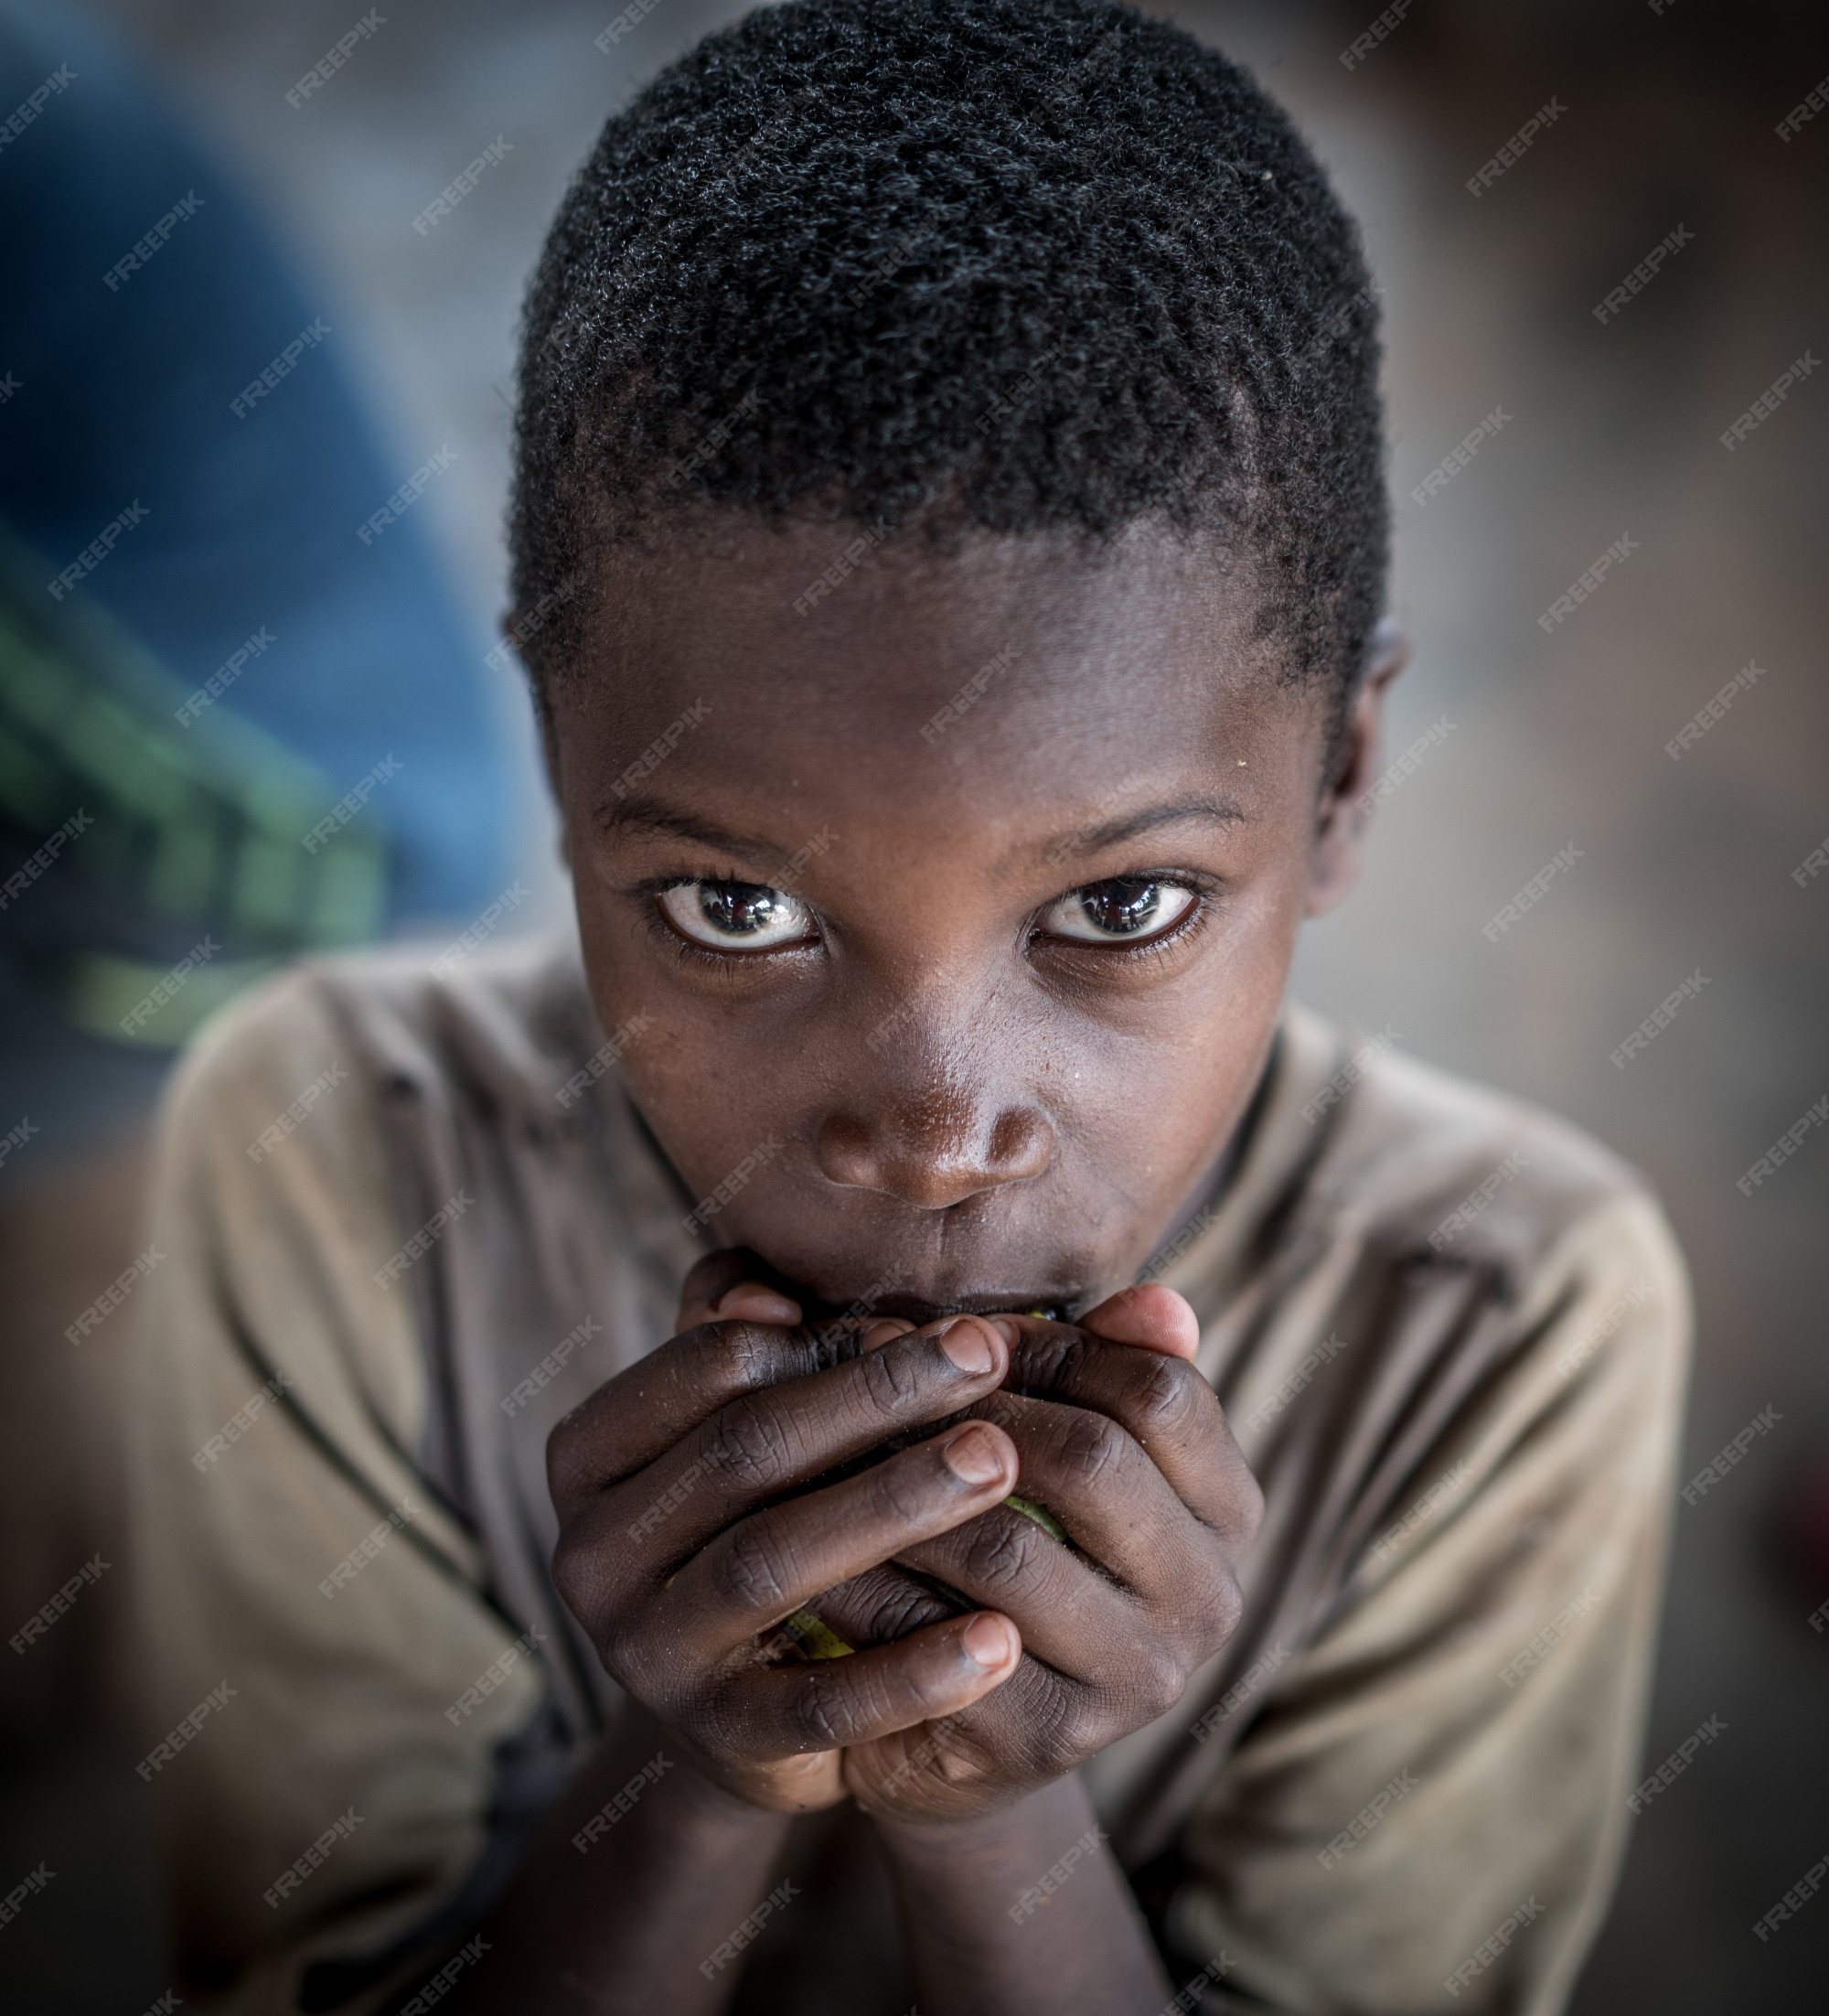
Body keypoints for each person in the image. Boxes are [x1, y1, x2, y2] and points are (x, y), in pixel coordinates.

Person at [129, 3, 1690, 2011]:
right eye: (733, 899)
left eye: (1120, 903)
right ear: (552, 744)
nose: (936, 1119)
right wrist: (700, 1775)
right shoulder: (335, 1155)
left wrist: (983, 1810)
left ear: (1342, 784)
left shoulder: (1499, 1315)